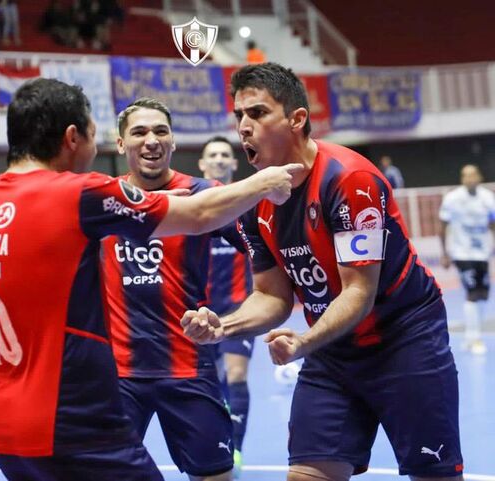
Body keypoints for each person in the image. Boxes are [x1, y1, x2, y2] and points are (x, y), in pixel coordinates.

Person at [0, 78, 298, 481]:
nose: (150, 141)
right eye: (96, 134)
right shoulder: (82, 195)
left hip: (8, 422)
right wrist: (265, 180)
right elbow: (198, 214)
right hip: (79, 410)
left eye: (160, 131)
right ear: (73, 138)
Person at [182, 63, 464, 481]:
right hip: (332, 351)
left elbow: (358, 293)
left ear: (297, 120)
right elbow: (273, 296)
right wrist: (223, 326)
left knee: (435, 475)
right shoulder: (257, 199)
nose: (243, 126)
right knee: (307, 475)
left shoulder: (351, 180)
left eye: (257, 113)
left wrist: (304, 342)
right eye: (239, 116)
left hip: (403, 340)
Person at [100, 100, 246, 481]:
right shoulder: (101, 199)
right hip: (119, 373)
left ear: (174, 142)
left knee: (216, 475)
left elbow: (260, 247)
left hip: (187, 365)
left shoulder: (202, 192)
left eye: (160, 131)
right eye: (140, 132)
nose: (151, 141)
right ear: (120, 144)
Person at [198, 135, 254, 478]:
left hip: (240, 306)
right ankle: (217, 442)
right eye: (212, 155)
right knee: (212, 382)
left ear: (234, 164)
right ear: (202, 164)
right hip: (200, 310)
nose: (218, 159)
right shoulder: (192, 204)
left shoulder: (249, 203)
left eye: (224, 155)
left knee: (236, 374)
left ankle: (235, 448)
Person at [439, 164, 495, 355]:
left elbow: (493, 223)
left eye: (473, 175)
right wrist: (445, 253)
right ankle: (474, 337)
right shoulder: (452, 199)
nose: (469, 179)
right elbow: (443, 225)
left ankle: (472, 337)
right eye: (465, 176)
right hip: (462, 253)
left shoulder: (488, 198)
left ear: (479, 176)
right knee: (472, 293)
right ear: (462, 178)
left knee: (483, 294)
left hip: (482, 253)